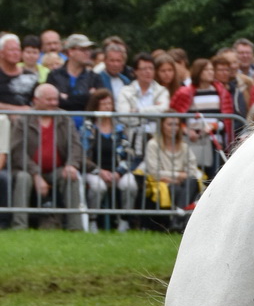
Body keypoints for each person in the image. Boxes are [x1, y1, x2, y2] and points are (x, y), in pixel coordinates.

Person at [10, 82, 84, 227]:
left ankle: (76, 227)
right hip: (27, 170)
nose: (53, 103)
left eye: (55, 99)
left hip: (56, 169)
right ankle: (19, 226)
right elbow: (17, 152)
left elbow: (75, 145)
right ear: (36, 100)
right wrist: (35, 174)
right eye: (49, 100)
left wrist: (71, 165)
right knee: (23, 178)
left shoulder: (64, 118)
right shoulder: (23, 120)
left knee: (71, 177)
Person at [81, 88, 138, 228]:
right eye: (103, 104)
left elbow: (128, 153)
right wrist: (99, 171)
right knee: (98, 187)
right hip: (94, 171)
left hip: (117, 171)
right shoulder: (88, 128)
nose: (107, 107)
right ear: (95, 106)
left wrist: (119, 172)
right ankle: (93, 221)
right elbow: (83, 156)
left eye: (109, 103)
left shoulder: (119, 128)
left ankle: (124, 221)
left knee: (130, 185)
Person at [170, 58, 235, 171]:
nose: (210, 72)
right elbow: (175, 117)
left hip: (214, 140)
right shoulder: (185, 92)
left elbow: (226, 119)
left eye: (211, 69)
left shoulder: (221, 92)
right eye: (206, 70)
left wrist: (213, 126)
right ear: (198, 71)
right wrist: (186, 130)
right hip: (192, 141)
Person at [141, 115, 201, 223]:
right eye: (170, 124)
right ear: (161, 126)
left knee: (192, 181)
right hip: (163, 182)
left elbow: (192, 169)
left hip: (183, 182)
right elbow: (154, 172)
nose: (174, 128)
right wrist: (178, 175)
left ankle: (177, 220)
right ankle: (180, 221)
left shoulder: (184, 146)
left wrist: (175, 177)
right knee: (176, 189)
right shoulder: (153, 144)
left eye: (176, 124)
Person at [46, 33, 100, 110]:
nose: (88, 53)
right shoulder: (54, 76)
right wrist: (87, 96)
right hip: (61, 117)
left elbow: (98, 102)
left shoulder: (94, 77)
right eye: (83, 49)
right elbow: (51, 100)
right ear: (70, 51)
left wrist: (67, 98)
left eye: (89, 49)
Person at [0, 32, 37, 104]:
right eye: (12, 50)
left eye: (18, 50)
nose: (16, 53)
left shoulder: (30, 76)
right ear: (1, 53)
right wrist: (15, 109)